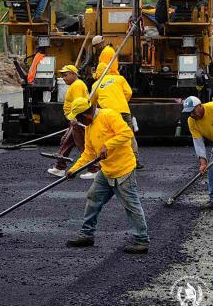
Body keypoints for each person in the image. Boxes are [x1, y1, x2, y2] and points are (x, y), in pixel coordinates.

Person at [64, 97, 149, 254]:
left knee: (131, 205)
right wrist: (73, 170)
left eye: (78, 117)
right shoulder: (89, 127)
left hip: (124, 169)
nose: (77, 121)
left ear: (85, 114)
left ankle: (141, 240)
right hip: (106, 170)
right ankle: (86, 235)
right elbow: (89, 153)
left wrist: (107, 145)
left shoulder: (108, 115)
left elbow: (126, 133)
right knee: (93, 198)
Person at [48, 65, 98, 180]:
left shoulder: (77, 85)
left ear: (74, 75)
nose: (64, 78)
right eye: (62, 76)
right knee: (66, 142)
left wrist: (75, 119)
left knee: (83, 145)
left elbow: (79, 105)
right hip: (74, 119)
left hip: (78, 120)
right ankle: (60, 167)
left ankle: (94, 169)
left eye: (66, 75)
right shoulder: (76, 85)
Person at [90, 73, 140, 167]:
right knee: (128, 135)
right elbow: (129, 92)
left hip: (109, 113)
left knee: (109, 136)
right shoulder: (120, 78)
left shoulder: (96, 84)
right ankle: (135, 160)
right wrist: (121, 101)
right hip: (124, 110)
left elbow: (92, 102)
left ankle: (113, 161)